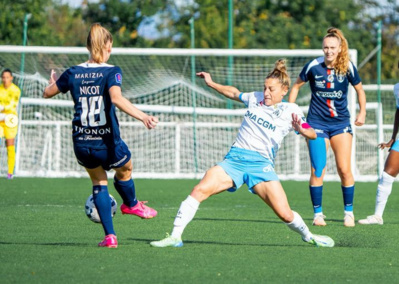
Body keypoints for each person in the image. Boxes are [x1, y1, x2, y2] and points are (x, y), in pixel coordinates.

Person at [150, 59, 334, 248]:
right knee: (199, 190)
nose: (266, 92)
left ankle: (308, 235)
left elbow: (311, 133)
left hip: (260, 165)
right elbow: (233, 92)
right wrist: (212, 83)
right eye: (265, 88)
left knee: (285, 213)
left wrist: (301, 129)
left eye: (271, 89)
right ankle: (175, 236)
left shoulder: (291, 110)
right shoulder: (255, 98)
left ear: (284, 91)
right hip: (234, 161)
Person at [43, 23, 159, 248]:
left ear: (88, 46)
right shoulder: (111, 71)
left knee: (99, 182)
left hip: (82, 141)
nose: (111, 51)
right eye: (110, 46)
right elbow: (116, 98)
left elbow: (48, 93)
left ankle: (110, 237)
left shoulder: (73, 72)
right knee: (126, 168)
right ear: (106, 46)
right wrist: (143, 116)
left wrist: (53, 84)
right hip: (107, 141)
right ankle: (131, 204)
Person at [288, 27, 366, 227]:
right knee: (317, 169)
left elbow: (359, 89)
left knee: (344, 169)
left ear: (339, 48)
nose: (328, 51)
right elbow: (296, 86)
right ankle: (318, 215)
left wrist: (362, 111)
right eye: (325, 48)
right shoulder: (313, 66)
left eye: (332, 47)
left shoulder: (347, 66)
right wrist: (291, 112)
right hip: (316, 125)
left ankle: (348, 212)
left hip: (340, 125)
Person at [359, 61, 399, 225]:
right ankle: (377, 216)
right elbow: (398, 111)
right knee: (387, 173)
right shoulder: (397, 87)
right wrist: (393, 138)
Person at [0, 69, 21, 180]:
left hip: (10, 119)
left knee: (9, 144)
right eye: (3, 77)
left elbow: (13, 105)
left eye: (7, 77)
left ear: (11, 78)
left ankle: (10, 172)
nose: (5, 79)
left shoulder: (15, 90)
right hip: (0, 118)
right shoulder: (0, 89)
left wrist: (3, 108)